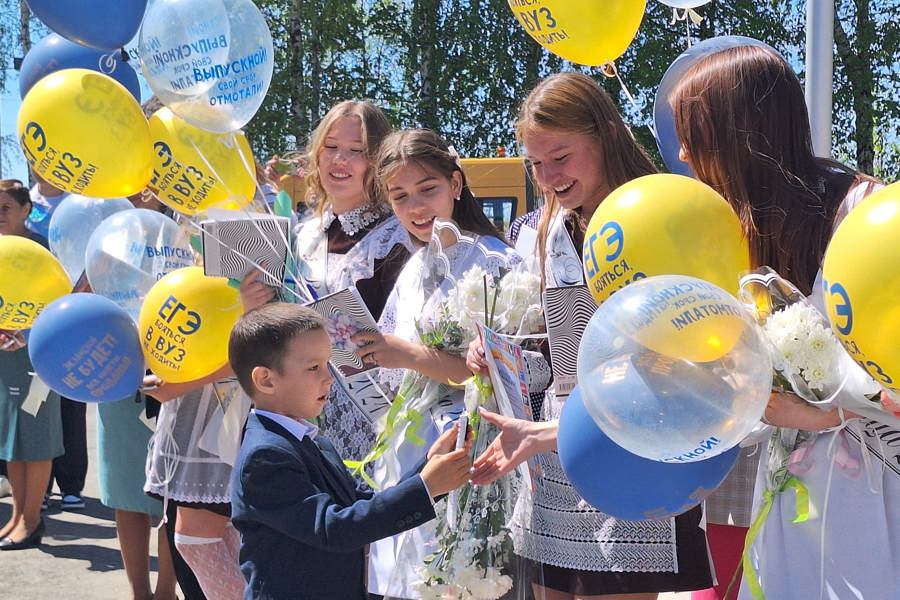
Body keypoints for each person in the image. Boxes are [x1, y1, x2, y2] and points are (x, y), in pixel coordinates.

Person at [468, 72, 713, 599]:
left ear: (604, 135)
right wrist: (500, 353)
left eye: (560, 157)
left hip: (633, 445)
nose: (548, 175)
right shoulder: (549, 229)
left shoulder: (658, 210)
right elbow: (559, 341)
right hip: (559, 452)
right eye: (536, 163)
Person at [668, 44, 899, 599]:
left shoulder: (859, 210)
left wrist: (827, 412)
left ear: (741, 132)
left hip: (875, 488)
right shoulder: (735, 229)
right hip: (790, 483)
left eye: (692, 134)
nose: (680, 152)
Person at [359, 129, 518, 597]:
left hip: (465, 447)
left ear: (456, 183)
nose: (415, 207)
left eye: (427, 189)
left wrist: (404, 353)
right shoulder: (413, 268)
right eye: (399, 196)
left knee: (454, 574)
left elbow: (495, 373)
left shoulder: (493, 262)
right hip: (408, 448)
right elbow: (392, 367)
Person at [228, 302, 472, 600]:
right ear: (266, 379)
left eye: (328, 364)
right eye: (313, 367)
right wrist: (425, 486)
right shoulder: (264, 456)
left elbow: (362, 503)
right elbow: (334, 528)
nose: (329, 377)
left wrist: (428, 467)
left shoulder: (312, 440)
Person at [240, 100, 413, 473]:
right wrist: (255, 306)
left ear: (378, 161)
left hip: (372, 423)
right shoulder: (298, 235)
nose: (340, 160)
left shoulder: (398, 238)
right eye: (331, 147)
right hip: (297, 416)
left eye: (356, 151)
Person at [0, 179, 64, 550]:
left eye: (7, 207)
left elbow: (56, 300)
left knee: (36, 435)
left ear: (27, 210)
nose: (0, 215)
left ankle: (33, 518)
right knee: (11, 436)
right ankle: (16, 514)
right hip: (4, 353)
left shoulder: (41, 248)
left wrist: (23, 333)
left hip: (38, 352)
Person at [27, 173, 87, 512]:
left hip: (70, 313)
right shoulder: (24, 203)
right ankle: (39, 485)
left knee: (69, 401)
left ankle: (71, 484)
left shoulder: (81, 204)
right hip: (31, 316)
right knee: (33, 405)